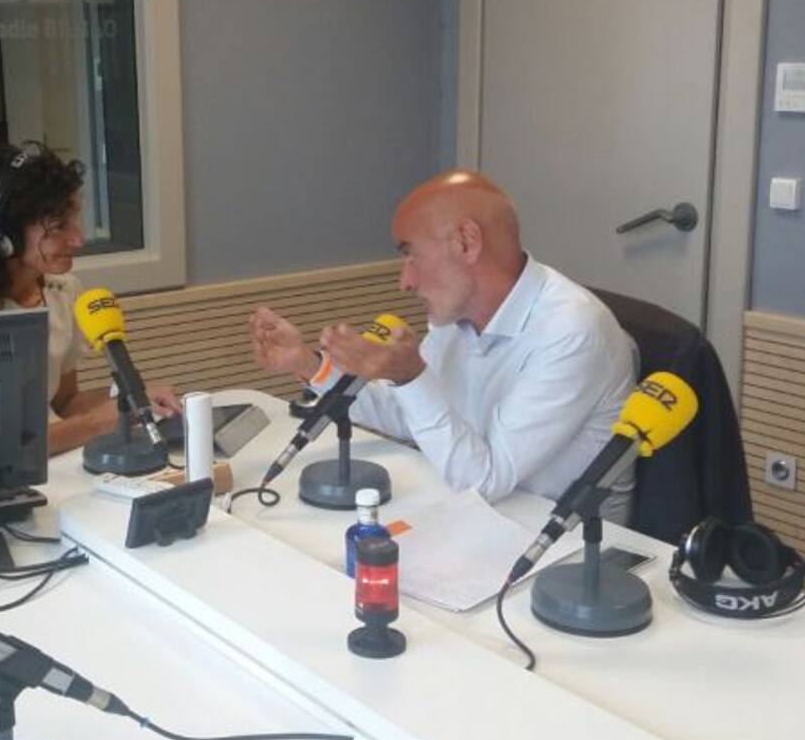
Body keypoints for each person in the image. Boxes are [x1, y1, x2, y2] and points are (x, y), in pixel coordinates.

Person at [250, 170, 638, 522]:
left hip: (560, 547)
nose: (405, 281)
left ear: (466, 242)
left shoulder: (573, 331)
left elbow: (485, 481)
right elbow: (409, 415)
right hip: (478, 517)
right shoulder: (457, 316)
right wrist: (309, 364)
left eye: (411, 255)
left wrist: (410, 377)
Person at [0, 141, 180, 456]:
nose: (78, 239)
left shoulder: (63, 290)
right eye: (58, 227)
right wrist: (96, 424)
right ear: (4, 235)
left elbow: (63, 403)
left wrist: (132, 400)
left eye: (74, 220)